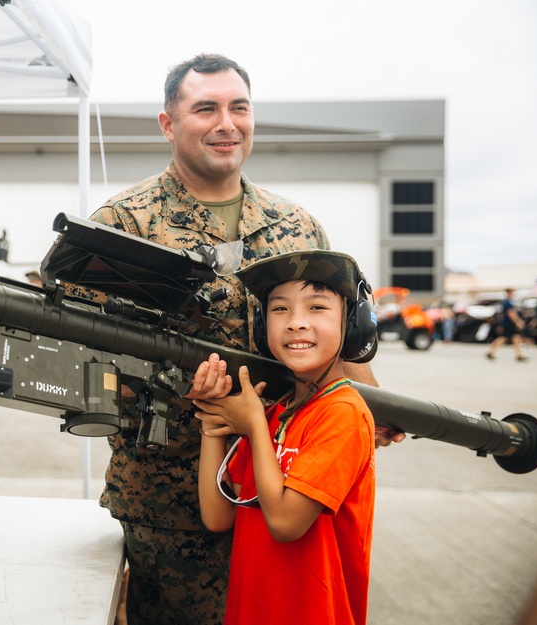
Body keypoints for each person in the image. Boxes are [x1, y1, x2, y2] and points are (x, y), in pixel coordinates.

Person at [73, 53, 399, 625]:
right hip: (171, 500)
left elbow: (336, 342)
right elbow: (82, 356)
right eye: (206, 108)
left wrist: (376, 406)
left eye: (239, 107)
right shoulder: (122, 226)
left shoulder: (296, 225)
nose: (227, 123)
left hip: (289, 488)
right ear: (168, 124)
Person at [191, 250, 377, 624]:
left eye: (317, 308)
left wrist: (253, 425)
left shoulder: (343, 413)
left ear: (353, 325)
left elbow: (286, 524)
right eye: (279, 310)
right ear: (263, 328)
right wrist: (214, 417)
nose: (295, 323)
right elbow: (218, 515)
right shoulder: (278, 412)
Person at [486, 288, 527, 362]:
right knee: (504, 338)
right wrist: (518, 321)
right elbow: (511, 313)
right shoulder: (507, 302)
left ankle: (519, 355)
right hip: (509, 324)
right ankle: (491, 351)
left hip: (507, 324)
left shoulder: (507, 302)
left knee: (515, 338)